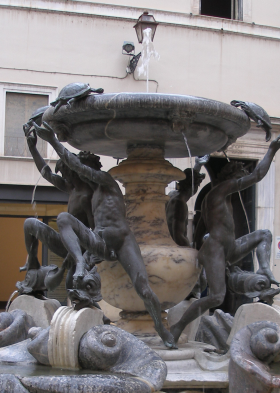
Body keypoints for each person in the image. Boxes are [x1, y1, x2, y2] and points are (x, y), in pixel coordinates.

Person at [33, 120, 175, 349]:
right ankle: (79, 265)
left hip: (122, 240)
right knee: (63, 219)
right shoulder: (89, 191)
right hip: (100, 240)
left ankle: (161, 329)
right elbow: (50, 174)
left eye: (83, 167)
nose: (79, 171)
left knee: (143, 287)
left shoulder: (105, 181)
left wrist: (50, 140)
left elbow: (75, 166)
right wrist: (34, 146)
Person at [169, 133, 280, 343]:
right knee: (216, 297)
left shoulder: (220, 196)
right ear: (232, 178)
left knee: (264, 235)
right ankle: (177, 328)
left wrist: (197, 249)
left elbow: (198, 232)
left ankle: (263, 268)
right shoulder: (221, 190)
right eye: (239, 177)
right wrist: (272, 150)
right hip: (216, 249)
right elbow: (257, 175)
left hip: (227, 247)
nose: (242, 183)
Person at [166, 155, 208, 247]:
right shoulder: (180, 203)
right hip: (175, 248)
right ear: (195, 187)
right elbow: (179, 237)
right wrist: (190, 252)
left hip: (168, 244)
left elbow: (190, 181)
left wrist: (198, 165)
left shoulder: (172, 194)